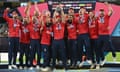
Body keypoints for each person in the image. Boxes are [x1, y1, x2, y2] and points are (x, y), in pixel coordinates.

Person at [97, 2, 116, 66]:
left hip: (106, 35)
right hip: (99, 35)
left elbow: (111, 11)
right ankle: (103, 59)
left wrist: (108, 5)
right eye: (100, 11)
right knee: (99, 48)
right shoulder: (97, 18)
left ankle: (114, 55)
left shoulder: (106, 17)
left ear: (104, 12)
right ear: (99, 12)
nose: (101, 12)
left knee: (110, 46)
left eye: (102, 11)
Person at [24, 2, 42, 69]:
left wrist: (35, 5)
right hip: (32, 39)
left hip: (38, 39)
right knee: (32, 53)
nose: (34, 14)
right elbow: (27, 14)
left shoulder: (39, 19)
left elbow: (38, 12)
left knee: (39, 53)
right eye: (34, 13)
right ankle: (31, 65)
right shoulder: (30, 21)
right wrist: (28, 7)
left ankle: (38, 64)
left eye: (35, 13)